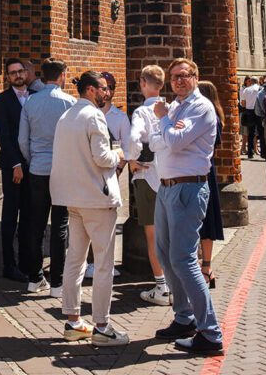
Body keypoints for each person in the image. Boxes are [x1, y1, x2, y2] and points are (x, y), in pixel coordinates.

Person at [149, 58, 224, 355]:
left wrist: (163, 121)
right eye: (174, 77)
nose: (178, 80)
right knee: (164, 254)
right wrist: (167, 126)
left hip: (188, 188)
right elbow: (156, 142)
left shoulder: (200, 107)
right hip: (166, 187)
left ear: (195, 76)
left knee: (183, 259)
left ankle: (211, 333)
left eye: (184, 75)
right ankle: (184, 318)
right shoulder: (176, 107)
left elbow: (175, 141)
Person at [50, 71, 128, 347]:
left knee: (75, 259)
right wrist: (119, 153)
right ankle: (102, 327)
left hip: (73, 198)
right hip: (96, 198)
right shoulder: (94, 115)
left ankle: (73, 322)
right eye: (104, 88)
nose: (107, 93)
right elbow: (102, 157)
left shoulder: (67, 115)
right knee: (104, 264)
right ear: (92, 90)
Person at [18, 58, 73, 296]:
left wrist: (32, 160)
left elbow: (22, 140)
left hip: (38, 168)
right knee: (60, 226)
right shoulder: (70, 102)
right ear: (62, 76)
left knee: (36, 224)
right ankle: (58, 283)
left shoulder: (31, 102)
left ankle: (35, 278)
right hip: (62, 169)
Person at [128, 64, 170, 306]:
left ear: (143, 83)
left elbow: (134, 138)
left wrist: (132, 159)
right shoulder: (171, 109)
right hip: (171, 177)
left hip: (148, 177)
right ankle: (175, 285)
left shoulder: (141, 112)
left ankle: (161, 287)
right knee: (171, 233)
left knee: (152, 235)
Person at [83, 71, 130, 280]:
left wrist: (117, 171)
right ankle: (89, 261)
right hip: (88, 175)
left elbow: (127, 148)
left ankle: (103, 263)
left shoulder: (120, 118)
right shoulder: (88, 113)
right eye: (105, 87)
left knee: (108, 220)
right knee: (86, 220)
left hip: (110, 176)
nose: (107, 91)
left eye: (111, 87)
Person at [0, 58, 35, 281]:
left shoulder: (36, 96)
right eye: (13, 73)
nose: (18, 75)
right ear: (7, 77)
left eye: (20, 71)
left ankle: (27, 263)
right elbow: (4, 136)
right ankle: (8, 265)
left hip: (34, 165)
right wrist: (16, 164)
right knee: (10, 215)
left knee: (29, 214)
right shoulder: (2, 100)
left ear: (26, 73)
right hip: (13, 166)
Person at [197, 81, 225, 287]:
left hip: (202, 171)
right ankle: (206, 267)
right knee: (207, 220)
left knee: (205, 221)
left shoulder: (208, 118)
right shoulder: (216, 117)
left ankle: (206, 268)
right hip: (209, 170)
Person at [240, 74, 264, 160]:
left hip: (249, 111)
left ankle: (250, 153)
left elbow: (243, 104)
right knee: (261, 132)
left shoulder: (246, 89)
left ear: (251, 81)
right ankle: (263, 153)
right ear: (257, 82)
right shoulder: (261, 89)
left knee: (251, 133)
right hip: (259, 111)